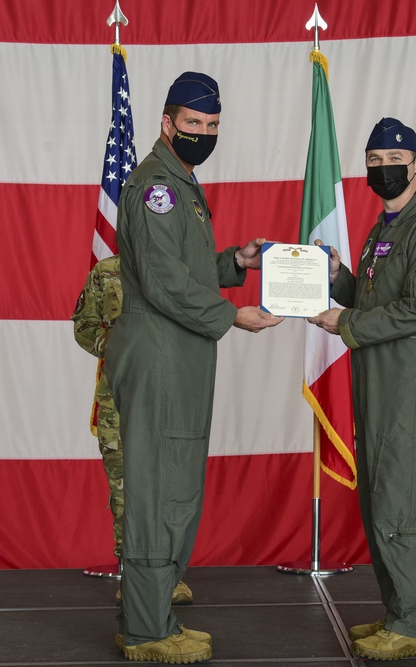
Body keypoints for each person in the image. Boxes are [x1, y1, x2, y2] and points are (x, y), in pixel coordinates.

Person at [104, 71, 283, 663]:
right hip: (159, 354)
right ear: (166, 122)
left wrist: (236, 261)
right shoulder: (157, 185)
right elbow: (161, 281)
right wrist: (233, 316)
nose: (203, 135)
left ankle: (156, 613)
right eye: (192, 125)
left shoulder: (180, 182)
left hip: (179, 354)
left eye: (211, 127)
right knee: (158, 488)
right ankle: (147, 632)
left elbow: (181, 265)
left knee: (176, 480)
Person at [309, 117, 416, 661]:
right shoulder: (384, 230)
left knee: (404, 508)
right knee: (380, 506)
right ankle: (398, 608)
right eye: (374, 162)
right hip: (376, 388)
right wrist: (337, 279)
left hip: (409, 390)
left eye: (394, 161)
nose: (383, 170)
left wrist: (344, 323)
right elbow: (377, 301)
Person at [70, 255, 193, 606]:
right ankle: (135, 579)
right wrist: (118, 348)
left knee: (171, 486)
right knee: (126, 490)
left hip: (174, 394)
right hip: (119, 398)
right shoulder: (106, 270)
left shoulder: (179, 267)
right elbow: (84, 323)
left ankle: (169, 575)